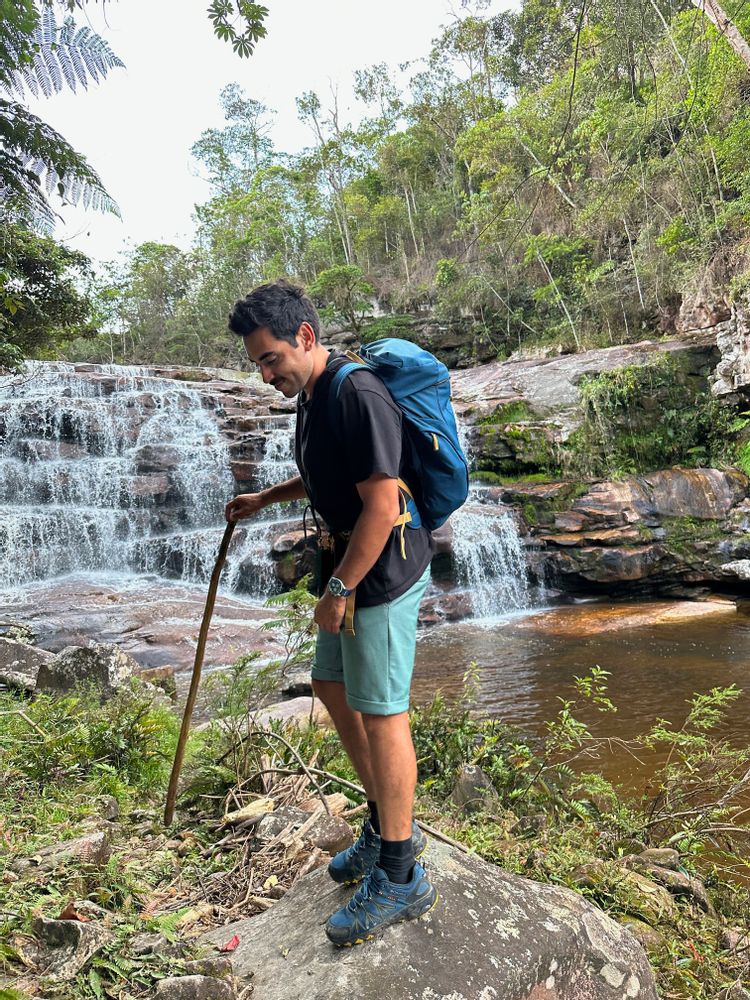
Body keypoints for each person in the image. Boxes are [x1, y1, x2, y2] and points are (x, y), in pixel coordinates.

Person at [224, 280, 437, 946]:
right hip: (349, 563)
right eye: (258, 364)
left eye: (270, 359)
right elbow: (329, 475)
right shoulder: (314, 395)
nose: (266, 375)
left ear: (306, 337)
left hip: (381, 568)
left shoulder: (357, 393)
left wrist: (339, 589)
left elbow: (382, 505)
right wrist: (265, 498)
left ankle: (401, 873)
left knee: (382, 711)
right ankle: (384, 824)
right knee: (331, 685)